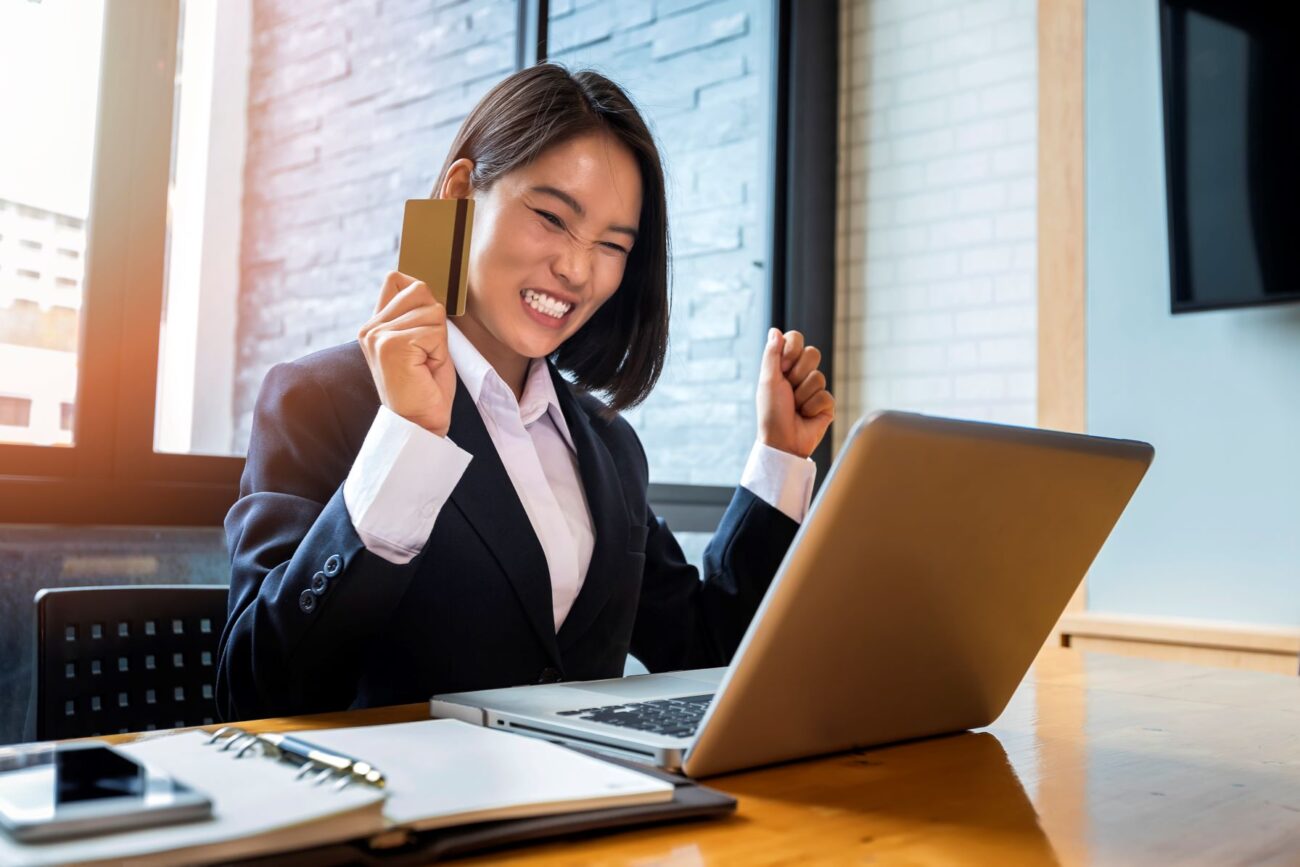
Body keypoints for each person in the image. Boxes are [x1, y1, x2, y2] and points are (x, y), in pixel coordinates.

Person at [216, 63, 834, 721]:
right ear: (461, 192)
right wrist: (405, 439)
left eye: (611, 244)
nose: (576, 268)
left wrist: (779, 459)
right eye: (551, 217)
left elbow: (708, 645)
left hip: (594, 809)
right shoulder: (319, 400)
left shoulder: (609, 448)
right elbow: (257, 691)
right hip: (406, 811)